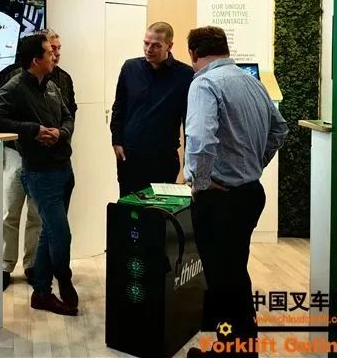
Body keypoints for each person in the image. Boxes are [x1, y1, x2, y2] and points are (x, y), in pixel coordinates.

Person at [183, 26, 288, 358]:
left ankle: (232, 349)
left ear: (193, 53)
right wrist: (254, 164)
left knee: (224, 281)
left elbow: (200, 141)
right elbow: (279, 129)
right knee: (234, 274)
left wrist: (199, 184)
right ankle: (240, 345)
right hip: (249, 194)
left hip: (220, 199)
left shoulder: (204, 83)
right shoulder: (251, 81)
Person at [0, 33, 78, 316]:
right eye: (50, 52)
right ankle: (63, 278)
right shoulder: (15, 86)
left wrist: (61, 132)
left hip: (64, 167)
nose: (55, 55)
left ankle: (41, 293)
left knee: (47, 233)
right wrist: (32, 130)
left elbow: (68, 115)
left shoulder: (52, 84)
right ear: (35, 60)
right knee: (60, 234)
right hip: (39, 172)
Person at [110, 22, 194, 197]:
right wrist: (116, 140)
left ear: (169, 46)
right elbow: (119, 107)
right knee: (129, 208)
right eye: (146, 43)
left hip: (162, 158)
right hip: (130, 156)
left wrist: (190, 161)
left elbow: (189, 121)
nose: (149, 49)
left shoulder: (185, 75)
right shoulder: (130, 68)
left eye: (156, 45)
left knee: (159, 210)